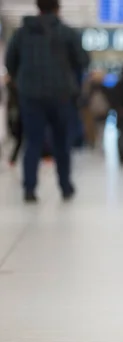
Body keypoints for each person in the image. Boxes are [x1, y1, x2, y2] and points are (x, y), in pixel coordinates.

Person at [5, 0, 89, 202]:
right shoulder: (67, 33)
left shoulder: (21, 33)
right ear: (57, 9)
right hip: (61, 95)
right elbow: (83, 61)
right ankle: (65, 186)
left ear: (38, 8)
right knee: (62, 142)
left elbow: (9, 62)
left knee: (32, 141)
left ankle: (29, 188)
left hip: (31, 96)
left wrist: (22, 82)